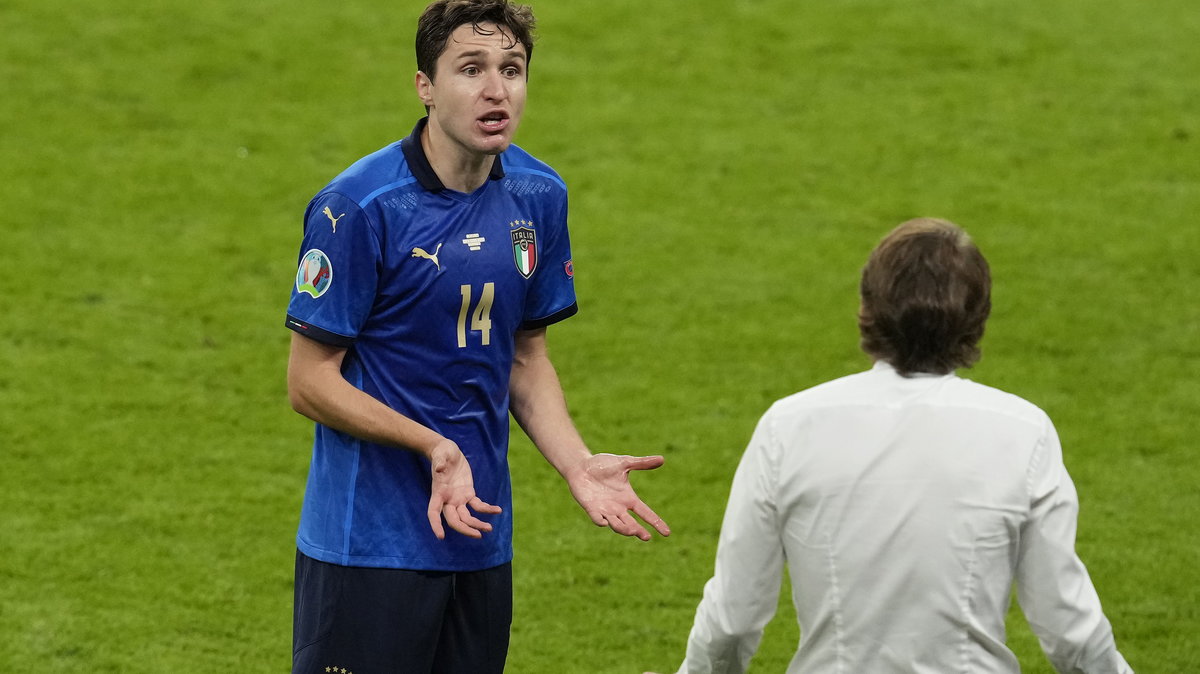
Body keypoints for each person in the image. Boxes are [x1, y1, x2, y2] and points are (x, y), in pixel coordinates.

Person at [283, 1, 670, 672]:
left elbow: (525, 356)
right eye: (471, 69)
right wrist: (431, 444)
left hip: (480, 539)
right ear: (424, 86)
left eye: (512, 69)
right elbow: (309, 381)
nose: (497, 89)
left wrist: (577, 464)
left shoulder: (539, 195)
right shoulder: (359, 207)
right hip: (368, 546)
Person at [656, 218, 1133, 673]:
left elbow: (734, 619)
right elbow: (1068, 627)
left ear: (867, 306)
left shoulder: (790, 426)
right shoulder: (1023, 431)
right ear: (978, 316)